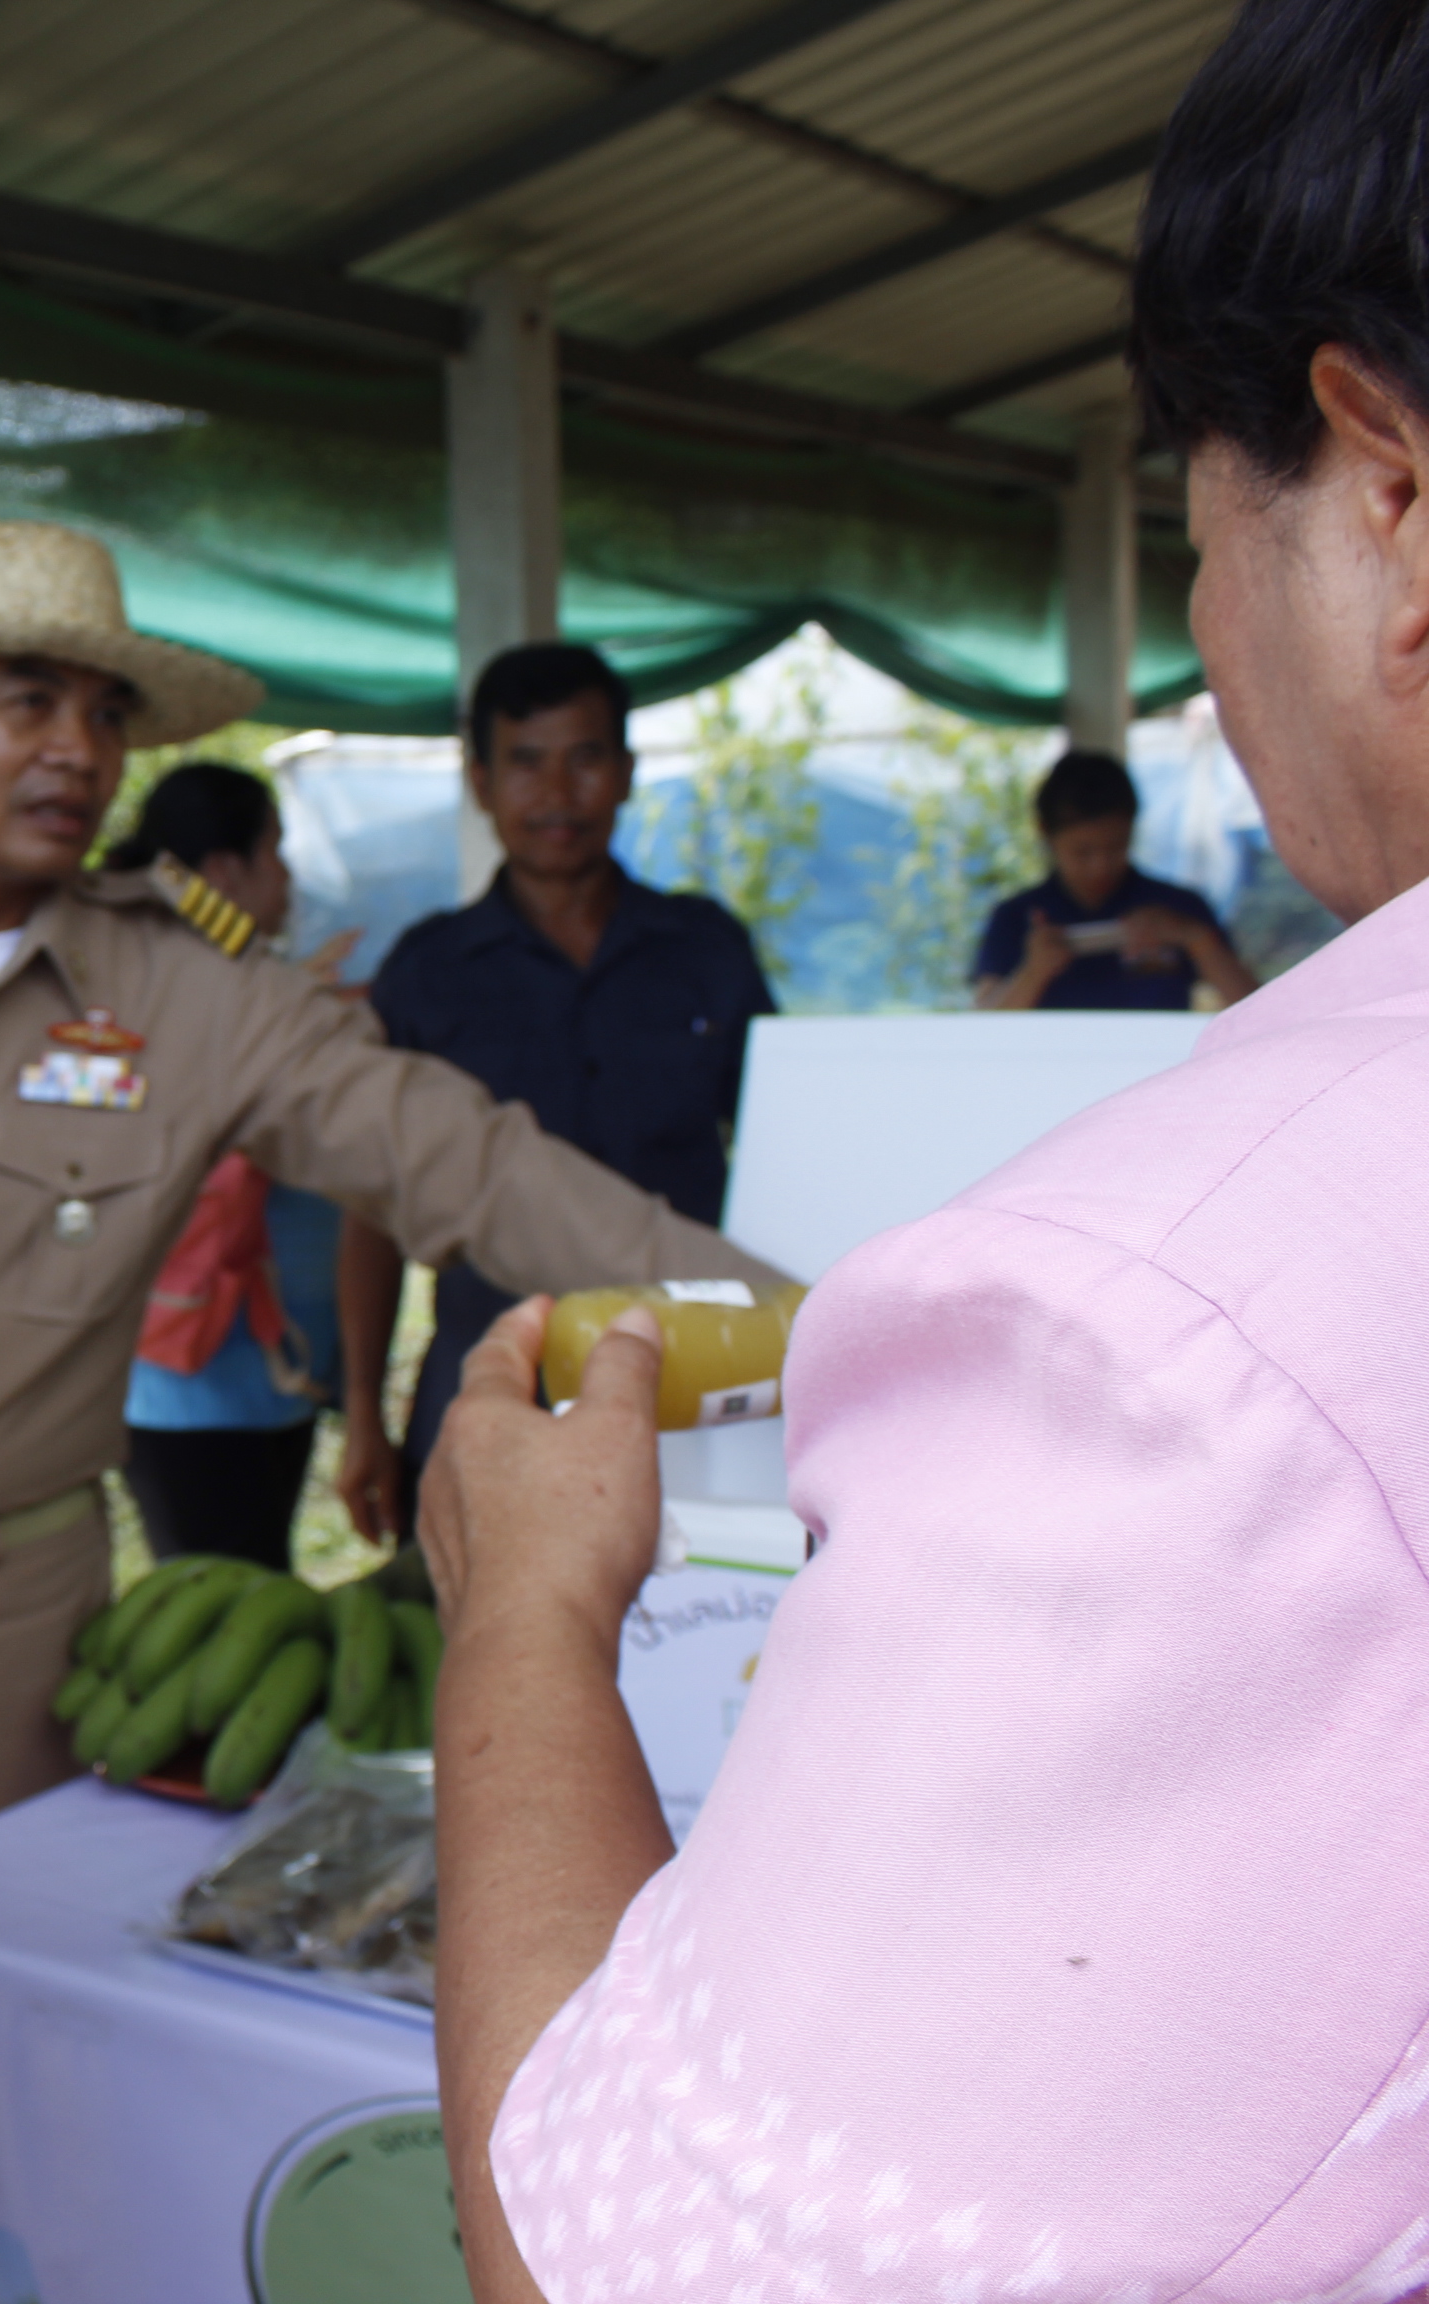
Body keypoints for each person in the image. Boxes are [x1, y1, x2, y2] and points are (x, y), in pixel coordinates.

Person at [427, 3, 1429, 2294]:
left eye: (1192, 540)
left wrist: (524, 1622)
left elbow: (616, 2261)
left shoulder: (1170, 1319)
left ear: (1374, 487)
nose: (1198, 640)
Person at [0, 519, 788, 1953]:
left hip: (0, 1621)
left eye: (103, 713)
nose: (77, 747)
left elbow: (463, 1164)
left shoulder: (195, 993)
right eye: (28, 699)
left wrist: (785, 1316)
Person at [334, 642, 775, 1541]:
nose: (557, 793)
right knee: (491, 1651)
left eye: (585, 758)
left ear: (625, 774)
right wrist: (365, 1419)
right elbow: (372, 1213)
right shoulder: (426, 971)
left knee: (705, 1642)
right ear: (482, 783)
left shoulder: (705, 949)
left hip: (693, 1377)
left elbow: (780, 1151)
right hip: (492, 1376)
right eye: (526, 763)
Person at [99, 763, 353, 1569]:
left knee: (253, 1578)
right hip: (189, 1375)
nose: (287, 880)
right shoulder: (147, 994)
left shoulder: (257, 993)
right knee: (217, 1605)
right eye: (274, 853)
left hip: (273, 1364)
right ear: (222, 872)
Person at [972, 745, 1262, 1009]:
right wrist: (1033, 972)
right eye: (1082, 852)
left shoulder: (1177, 907)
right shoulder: (1017, 918)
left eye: (1115, 847)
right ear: (1045, 833)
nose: (1100, 866)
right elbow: (983, 1026)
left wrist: (1195, 938)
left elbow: (1256, 1010)